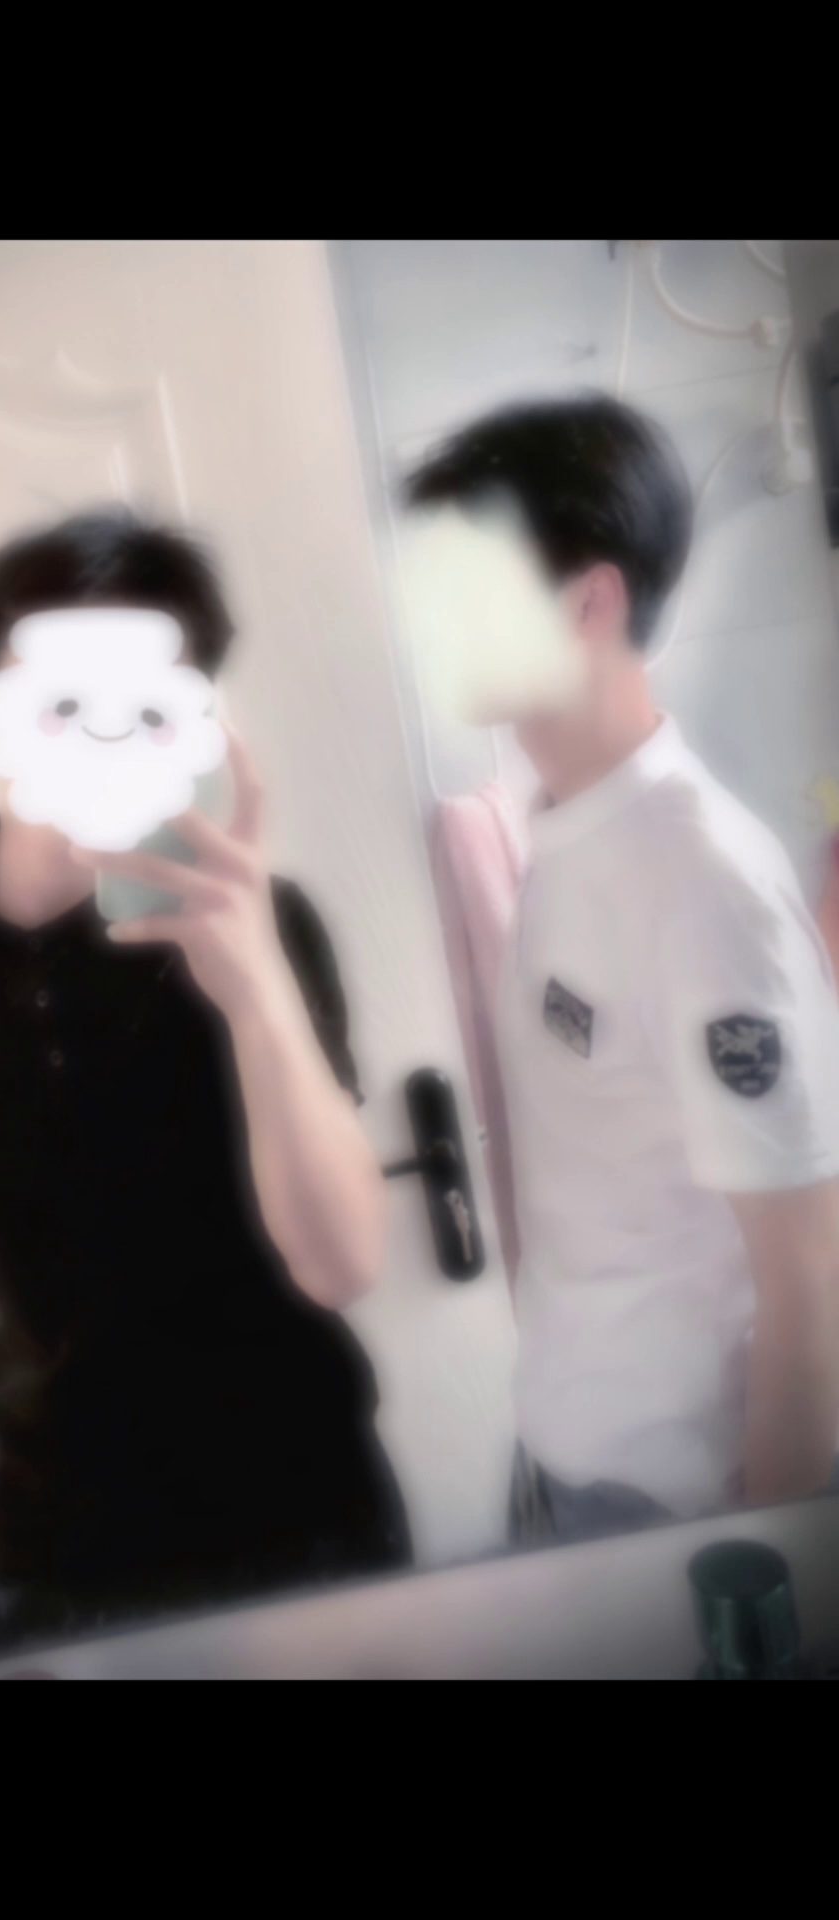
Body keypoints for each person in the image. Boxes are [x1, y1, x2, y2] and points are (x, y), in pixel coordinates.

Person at [0, 510, 410, 1667]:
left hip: (304, 1518)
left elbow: (342, 1265)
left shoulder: (265, 920)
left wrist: (254, 988)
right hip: (45, 1552)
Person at [404, 393, 839, 1547]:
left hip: (675, 1505)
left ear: (590, 601)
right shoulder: (563, 827)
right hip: (561, 1454)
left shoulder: (699, 878)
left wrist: (771, 1571)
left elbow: (810, 1271)